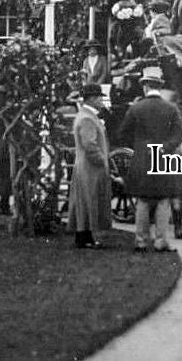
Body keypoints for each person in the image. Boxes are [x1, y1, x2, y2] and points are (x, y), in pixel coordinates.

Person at [119, 66, 182, 252]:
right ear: (159, 86)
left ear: (146, 87)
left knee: (143, 200)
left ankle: (141, 241)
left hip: (142, 159)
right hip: (163, 160)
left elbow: (123, 133)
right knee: (163, 201)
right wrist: (166, 147)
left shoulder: (136, 108)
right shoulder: (171, 109)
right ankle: (160, 241)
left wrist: (138, 146)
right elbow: (180, 134)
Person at [69, 83, 113, 249]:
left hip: (86, 167)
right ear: (93, 99)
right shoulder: (87, 118)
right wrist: (102, 160)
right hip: (90, 168)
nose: (102, 100)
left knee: (86, 203)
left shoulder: (86, 115)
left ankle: (84, 237)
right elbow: (90, 145)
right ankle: (88, 237)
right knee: (90, 201)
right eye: (100, 97)